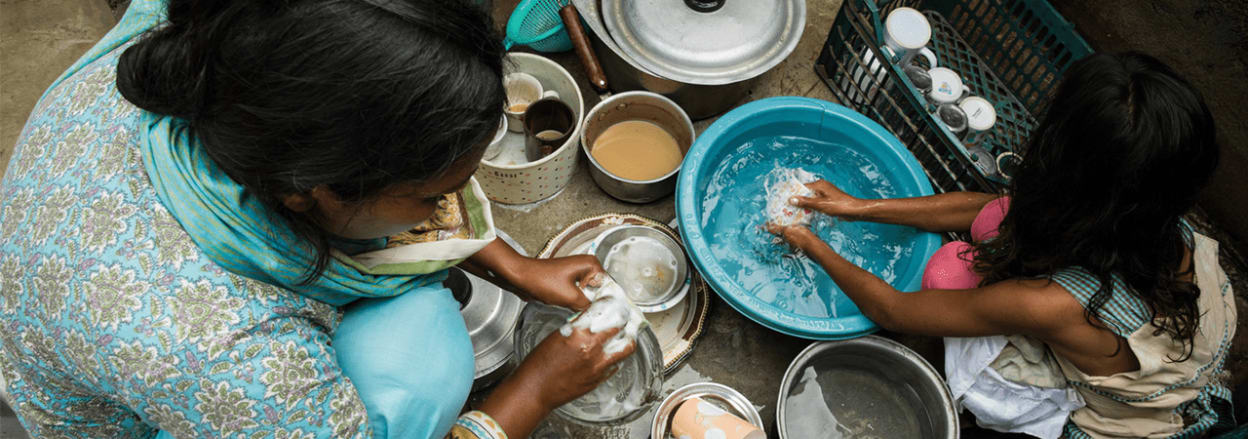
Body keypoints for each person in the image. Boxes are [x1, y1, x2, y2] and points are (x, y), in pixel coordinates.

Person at [0, 0, 631, 438]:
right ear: (312, 191)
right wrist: (535, 391)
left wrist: (512, 266)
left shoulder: (219, 48)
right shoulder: (224, 358)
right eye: (430, 197)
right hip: (148, 409)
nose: (448, 214)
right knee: (425, 354)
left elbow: (383, 189)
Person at [770, 52, 1236, 438]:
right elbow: (982, 208)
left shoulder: (1052, 305)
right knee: (997, 218)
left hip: (1123, 415)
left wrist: (809, 241)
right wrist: (860, 207)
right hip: (1179, 341)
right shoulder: (1147, 216)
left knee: (949, 271)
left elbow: (893, 309)